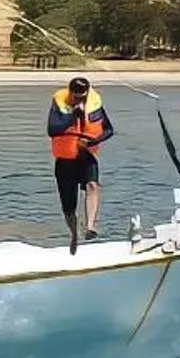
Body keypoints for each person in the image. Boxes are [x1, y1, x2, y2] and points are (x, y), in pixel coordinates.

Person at [47, 75, 115, 254]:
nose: (80, 100)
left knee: (92, 185)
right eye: (76, 96)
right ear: (70, 93)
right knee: (69, 208)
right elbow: (52, 130)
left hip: (86, 155)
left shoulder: (94, 103)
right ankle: (74, 234)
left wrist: (94, 142)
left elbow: (109, 130)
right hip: (65, 160)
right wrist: (72, 116)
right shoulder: (59, 103)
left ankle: (91, 227)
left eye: (82, 96)